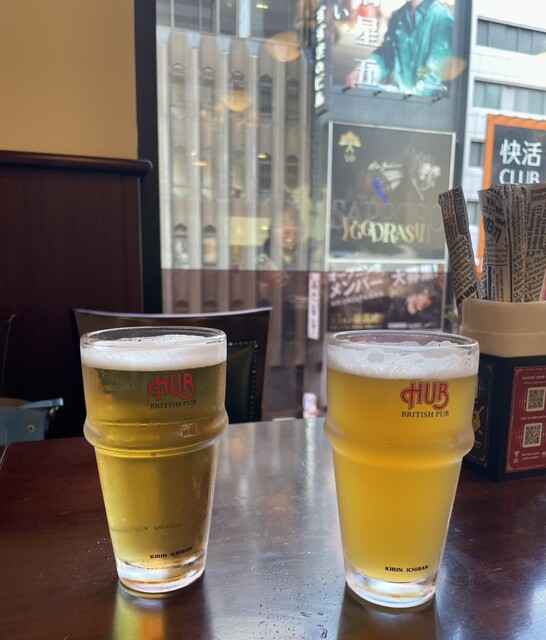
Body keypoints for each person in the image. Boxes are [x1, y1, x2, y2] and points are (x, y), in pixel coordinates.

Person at [345, 0, 454, 96]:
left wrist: (385, 92)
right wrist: (363, 72)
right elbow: (386, 57)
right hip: (398, 100)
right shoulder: (400, 15)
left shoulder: (443, 19)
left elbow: (431, 83)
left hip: (425, 108)